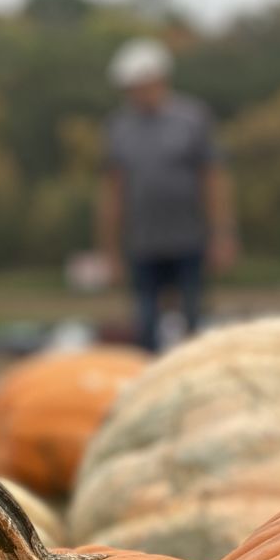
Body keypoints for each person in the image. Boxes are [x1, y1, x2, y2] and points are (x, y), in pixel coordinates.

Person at [98, 37, 238, 353]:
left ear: (159, 79)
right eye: (129, 88)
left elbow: (213, 180)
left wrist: (222, 234)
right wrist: (109, 249)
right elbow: (112, 191)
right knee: (146, 324)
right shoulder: (118, 127)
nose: (135, 94)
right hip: (143, 244)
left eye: (140, 85)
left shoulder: (193, 118)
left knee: (193, 320)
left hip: (189, 240)